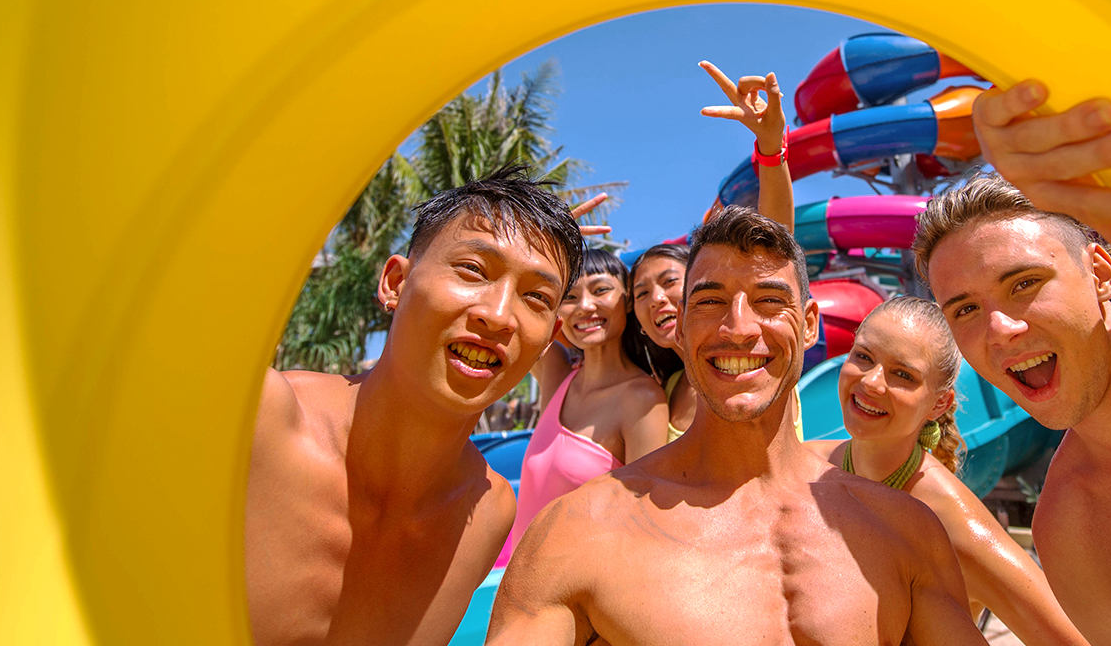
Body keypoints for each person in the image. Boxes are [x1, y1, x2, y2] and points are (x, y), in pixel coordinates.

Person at [486, 207, 986, 646]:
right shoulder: (579, 534)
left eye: (770, 300)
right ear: (678, 327)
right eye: (709, 301)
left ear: (809, 323)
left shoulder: (903, 530)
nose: (740, 327)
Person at [913, 80, 1111, 646]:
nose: (999, 329)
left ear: (1102, 273)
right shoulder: (1071, 530)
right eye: (965, 309)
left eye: (1024, 283)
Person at [245, 166, 585, 646]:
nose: (498, 314)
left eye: (536, 296)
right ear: (395, 283)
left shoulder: (486, 509)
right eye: (473, 270)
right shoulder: (262, 423)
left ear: (549, 339)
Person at [807, 296, 1090, 646]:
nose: (872, 383)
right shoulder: (804, 472)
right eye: (863, 357)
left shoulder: (952, 524)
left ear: (939, 403)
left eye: (902, 375)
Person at [629, 59, 801, 440]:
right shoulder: (664, 390)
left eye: (669, 281)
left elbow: (775, 249)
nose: (657, 299)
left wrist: (772, 149)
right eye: (641, 293)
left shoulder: (761, 355)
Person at [496, 248, 668, 565]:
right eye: (571, 297)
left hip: (577, 602)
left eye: (601, 290)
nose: (585, 306)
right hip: (518, 587)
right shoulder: (558, 373)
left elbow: (645, 525)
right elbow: (516, 307)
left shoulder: (642, 400)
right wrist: (549, 245)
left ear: (628, 301)